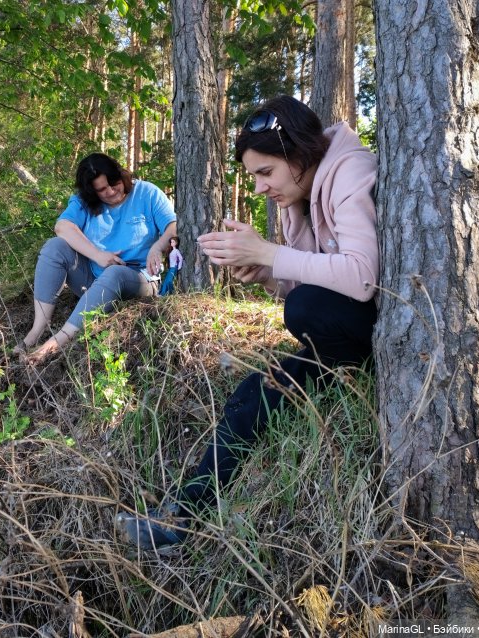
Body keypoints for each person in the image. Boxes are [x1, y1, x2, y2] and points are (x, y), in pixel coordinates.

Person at [118, 95, 379, 550]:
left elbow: (360, 277)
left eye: (265, 173)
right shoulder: (298, 196)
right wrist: (268, 274)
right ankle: (181, 516)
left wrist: (272, 254)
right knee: (254, 392)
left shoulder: (349, 170)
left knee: (302, 313)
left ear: (298, 152)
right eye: (253, 176)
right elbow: (311, 285)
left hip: (375, 334)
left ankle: (349, 377)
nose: (260, 188)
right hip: (344, 339)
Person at [19, 153, 177, 364]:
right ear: (91, 192)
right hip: (92, 277)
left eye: (114, 183)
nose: (111, 192)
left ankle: (55, 344)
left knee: (114, 274)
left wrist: (158, 246)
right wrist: (98, 255)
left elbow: (173, 225)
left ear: (122, 175)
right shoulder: (84, 203)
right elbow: (62, 227)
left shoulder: (147, 193)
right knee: (54, 247)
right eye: (102, 190)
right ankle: (35, 333)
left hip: (139, 279)